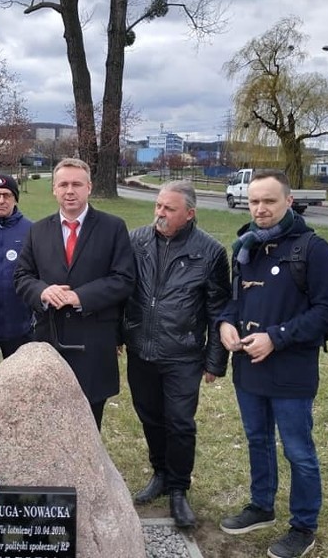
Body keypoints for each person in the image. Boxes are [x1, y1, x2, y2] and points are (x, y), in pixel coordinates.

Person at [217, 170, 328, 558]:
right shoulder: (246, 246)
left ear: (289, 201)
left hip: (291, 371)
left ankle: (303, 526)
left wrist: (277, 337)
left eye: (269, 201)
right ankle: (261, 505)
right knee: (257, 440)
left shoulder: (312, 249)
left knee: (298, 451)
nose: (260, 208)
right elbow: (234, 299)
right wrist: (224, 321)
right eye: (254, 201)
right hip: (248, 368)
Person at [124, 180, 230, 528]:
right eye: (158, 206)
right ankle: (160, 473)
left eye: (169, 209)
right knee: (150, 415)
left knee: (180, 422)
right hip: (142, 349)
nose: (160, 213)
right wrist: (119, 334)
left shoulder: (210, 252)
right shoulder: (137, 240)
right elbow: (123, 290)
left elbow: (218, 310)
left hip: (183, 354)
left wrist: (215, 361)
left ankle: (179, 488)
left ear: (189, 213)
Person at [14, 158, 135, 429]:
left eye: (77, 184)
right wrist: (43, 291)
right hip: (50, 340)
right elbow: (22, 277)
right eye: (64, 184)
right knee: (48, 420)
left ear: (89, 187)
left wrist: (80, 296)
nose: (70, 190)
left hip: (93, 342)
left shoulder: (113, 227)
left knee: (89, 423)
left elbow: (124, 278)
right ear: (54, 189)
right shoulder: (38, 230)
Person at [0, 174, 33, 374]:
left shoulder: (31, 230)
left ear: (15, 199)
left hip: (20, 327)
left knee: (21, 386)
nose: (1, 200)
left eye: (7, 195)